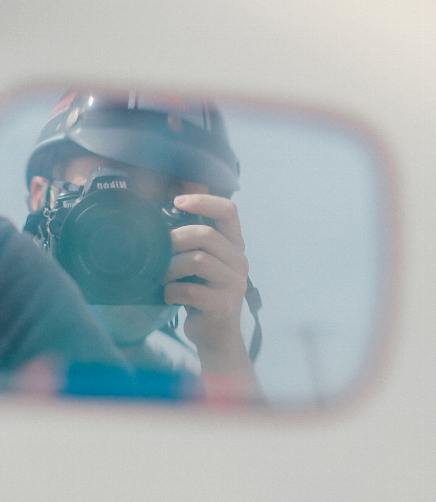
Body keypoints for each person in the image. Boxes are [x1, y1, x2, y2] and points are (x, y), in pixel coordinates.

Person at [23, 91, 261, 396]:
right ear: (41, 197)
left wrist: (221, 344)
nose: (132, 233)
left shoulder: (187, 397)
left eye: (170, 202)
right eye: (112, 197)